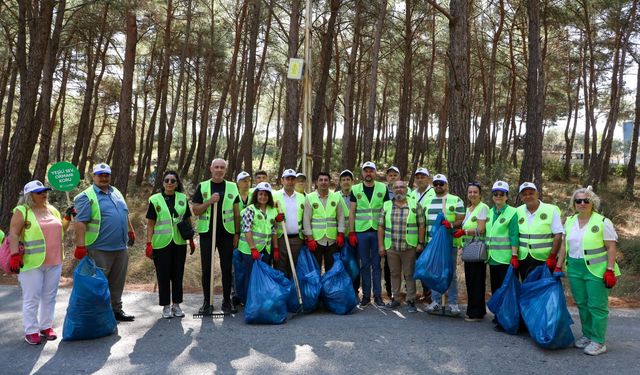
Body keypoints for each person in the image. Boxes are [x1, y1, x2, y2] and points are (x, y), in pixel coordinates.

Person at [556, 187, 621, 356]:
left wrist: (610, 270)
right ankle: (587, 335)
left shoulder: (602, 221)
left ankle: (599, 341)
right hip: (575, 268)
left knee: (597, 306)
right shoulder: (569, 221)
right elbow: (564, 245)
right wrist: (558, 264)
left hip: (597, 270)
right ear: (574, 204)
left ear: (593, 203)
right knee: (582, 304)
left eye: (586, 200)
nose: (582, 203)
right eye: (578, 201)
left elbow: (611, 247)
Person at [8, 181, 72, 344]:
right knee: (32, 297)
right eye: (39, 192)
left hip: (54, 260)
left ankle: (46, 326)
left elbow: (60, 231)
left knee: (49, 297)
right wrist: (15, 255)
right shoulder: (22, 211)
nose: (43, 194)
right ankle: (31, 330)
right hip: (31, 263)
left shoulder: (52, 210)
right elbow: (14, 234)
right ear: (30, 196)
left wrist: (66, 218)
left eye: (44, 191)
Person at [74, 163, 136, 322]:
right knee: (98, 284)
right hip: (98, 248)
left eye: (106, 174)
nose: (103, 177)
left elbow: (124, 213)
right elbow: (80, 222)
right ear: (93, 176)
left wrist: (130, 230)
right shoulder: (85, 196)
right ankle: (98, 316)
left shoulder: (116, 192)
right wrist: (80, 246)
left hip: (120, 248)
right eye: (100, 175)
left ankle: (116, 310)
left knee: (117, 283)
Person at [192, 158, 241, 314]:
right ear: (210, 168)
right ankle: (207, 302)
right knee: (207, 268)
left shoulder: (233, 187)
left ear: (225, 170)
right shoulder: (203, 186)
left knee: (226, 268)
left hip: (227, 233)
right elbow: (196, 210)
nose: (219, 170)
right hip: (207, 233)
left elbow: (236, 213)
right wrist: (209, 201)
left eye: (222, 167)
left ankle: (227, 302)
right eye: (216, 167)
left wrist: (237, 234)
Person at [145, 171, 193, 319]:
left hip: (179, 243)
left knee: (178, 275)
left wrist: (191, 239)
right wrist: (148, 244)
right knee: (163, 275)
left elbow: (187, 219)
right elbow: (151, 224)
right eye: (167, 180)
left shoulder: (182, 198)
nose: (170, 183)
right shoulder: (155, 199)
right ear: (163, 182)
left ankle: (177, 305)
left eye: (173, 180)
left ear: (177, 183)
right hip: (161, 244)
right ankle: (166, 306)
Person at [377, 180, 425, 313]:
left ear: (406, 189)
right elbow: (380, 226)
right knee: (394, 273)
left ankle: (410, 300)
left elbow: (421, 225)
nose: (399, 190)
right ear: (392, 190)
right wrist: (381, 246)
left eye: (402, 187)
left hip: (409, 246)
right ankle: (396, 299)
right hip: (391, 246)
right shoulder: (386, 205)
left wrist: (420, 243)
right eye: (396, 187)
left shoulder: (415, 205)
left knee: (409, 274)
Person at [422, 174, 465, 314]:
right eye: (436, 184)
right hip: (432, 243)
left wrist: (451, 224)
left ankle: (453, 303)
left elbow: (461, 219)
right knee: (434, 273)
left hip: (449, 243)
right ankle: (435, 301)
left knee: (450, 273)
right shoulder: (427, 201)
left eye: (441, 184)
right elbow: (422, 221)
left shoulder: (455, 200)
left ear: (446, 185)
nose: (438, 186)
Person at [348, 161, 389, 307]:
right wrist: (351, 231)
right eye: (366, 171)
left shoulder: (383, 188)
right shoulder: (355, 189)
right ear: (362, 173)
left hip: (378, 231)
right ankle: (366, 296)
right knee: (364, 264)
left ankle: (377, 296)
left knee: (377, 264)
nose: (368, 173)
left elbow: (386, 212)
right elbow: (352, 212)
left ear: (375, 172)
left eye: (371, 170)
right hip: (361, 232)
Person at [485, 181, 519, 331]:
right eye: (496, 194)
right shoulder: (490, 212)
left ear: (507, 196)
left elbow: (514, 235)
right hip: (492, 257)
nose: (498, 196)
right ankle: (499, 315)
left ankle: (505, 319)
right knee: (496, 288)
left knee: (505, 289)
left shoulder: (512, 212)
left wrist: (514, 255)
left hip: (506, 258)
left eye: (502, 194)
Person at [236, 182, 279, 297]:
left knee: (263, 275)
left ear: (269, 196)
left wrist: (275, 248)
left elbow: (274, 230)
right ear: (256, 195)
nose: (263, 197)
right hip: (249, 250)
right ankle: (248, 300)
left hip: (266, 249)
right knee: (251, 275)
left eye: (266, 195)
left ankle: (260, 300)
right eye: (260, 194)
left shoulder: (272, 210)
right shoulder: (250, 210)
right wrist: (253, 248)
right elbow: (247, 229)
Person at [515, 182, 564, 280]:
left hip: (545, 259)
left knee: (544, 290)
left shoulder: (551, 210)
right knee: (527, 288)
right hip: (523, 258)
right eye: (525, 194)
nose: (528, 196)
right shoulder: (517, 211)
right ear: (521, 197)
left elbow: (558, 234)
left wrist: (552, 256)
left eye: (531, 193)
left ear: (537, 194)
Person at [303, 172, 345, 273]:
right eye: (320, 180)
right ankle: (317, 289)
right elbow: (306, 219)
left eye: (326, 180)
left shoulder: (336, 197)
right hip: (316, 240)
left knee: (331, 270)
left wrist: (340, 234)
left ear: (329, 182)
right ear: (316, 183)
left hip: (332, 240)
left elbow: (341, 216)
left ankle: (328, 289)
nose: (323, 182)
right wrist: (310, 239)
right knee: (315, 269)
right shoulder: (310, 197)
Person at [460, 182, 490, 322]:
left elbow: (481, 229)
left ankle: (476, 313)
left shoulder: (482, 208)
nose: (472, 194)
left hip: (477, 248)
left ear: (480, 194)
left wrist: (464, 232)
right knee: (471, 280)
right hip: (468, 247)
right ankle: (477, 309)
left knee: (476, 280)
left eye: (475, 192)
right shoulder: (469, 209)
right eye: (470, 192)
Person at [408, 167, 435, 302]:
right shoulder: (412, 194)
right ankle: (419, 293)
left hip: (429, 236)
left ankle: (430, 295)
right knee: (417, 266)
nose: (420, 179)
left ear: (428, 178)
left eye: (422, 176)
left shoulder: (434, 192)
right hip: (414, 237)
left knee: (428, 267)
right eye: (417, 177)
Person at [273, 169, 304, 278]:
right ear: (282, 180)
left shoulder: (302, 197)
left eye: (292, 179)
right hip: (281, 238)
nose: (290, 181)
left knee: (295, 267)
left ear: (295, 181)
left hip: (297, 239)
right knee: (280, 267)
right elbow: (267, 215)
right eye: (287, 179)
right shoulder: (274, 196)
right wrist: (275, 218)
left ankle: (294, 292)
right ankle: (283, 292)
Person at [339, 169, 360, 293]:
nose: (346, 182)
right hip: (340, 236)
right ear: (340, 183)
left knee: (355, 264)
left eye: (348, 179)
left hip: (355, 235)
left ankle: (355, 289)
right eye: (343, 180)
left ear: (352, 181)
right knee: (342, 264)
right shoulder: (335, 196)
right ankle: (343, 290)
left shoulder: (358, 195)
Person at [383, 166, 400, 298]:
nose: (392, 177)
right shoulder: (382, 191)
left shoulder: (407, 190)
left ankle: (404, 291)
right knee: (389, 266)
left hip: (403, 233)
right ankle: (391, 292)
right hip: (387, 233)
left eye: (395, 175)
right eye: (390, 175)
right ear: (387, 178)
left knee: (406, 266)